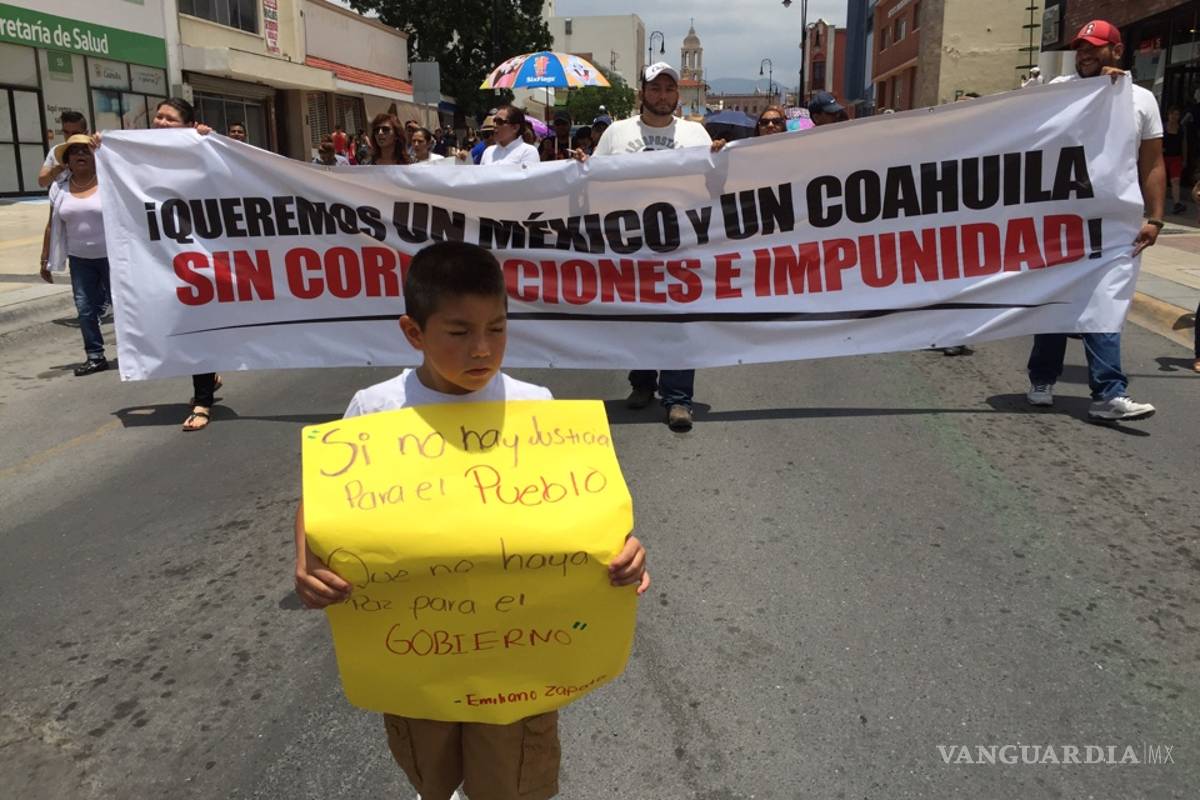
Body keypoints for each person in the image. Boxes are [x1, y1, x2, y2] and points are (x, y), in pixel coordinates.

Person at [293, 240, 649, 800]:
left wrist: (625, 554)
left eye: (498, 329)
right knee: (428, 764)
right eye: (458, 333)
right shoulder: (377, 409)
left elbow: (585, 512)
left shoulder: (538, 408)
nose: (482, 349)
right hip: (419, 652)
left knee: (509, 777)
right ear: (414, 332)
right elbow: (323, 495)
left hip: (519, 656)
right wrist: (306, 558)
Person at [1025, 19, 1162, 422]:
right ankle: (1042, 379)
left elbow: (1151, 162)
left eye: (1095, 48)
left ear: (1116, 52)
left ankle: (1109, 393)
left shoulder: (1141, 100)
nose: (1085, 55)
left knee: (1106, 301)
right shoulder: (1060, 91)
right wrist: (1093, 93)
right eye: (1081, 48)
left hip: (1115, 222)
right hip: (1061, 220)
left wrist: (1155, 218)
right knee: (1057, 296)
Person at [590, 62, 724, 432]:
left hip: (682, 241)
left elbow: (717, 186)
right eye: (655, 88)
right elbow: (594, 180)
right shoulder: (617, 134)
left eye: (669, 89)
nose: (662, 95)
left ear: (677, 95)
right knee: (639, 315)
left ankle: (678, 398)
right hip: (631, 241)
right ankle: (643, 384)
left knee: (679, 318)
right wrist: (580, 168)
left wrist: (721, 159)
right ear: (642, 94)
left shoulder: (696, 135)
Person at [39, 135, 111, 376]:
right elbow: (52, 225)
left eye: (86, 150)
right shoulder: (58, 189)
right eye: (75, 151)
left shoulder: (110, 184)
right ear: (67, 160)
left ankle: (140, 352)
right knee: (85, 308)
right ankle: (95, 356)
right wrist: (44, 259)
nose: (80, 154)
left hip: (113, 258)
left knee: (124, 306)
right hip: (79, 260)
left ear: (95, 157)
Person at [38, 110, 88, 189]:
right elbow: (42, 182)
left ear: (86, 133)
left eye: (75, 133)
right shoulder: (56, 151)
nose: (69, 136)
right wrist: (60, 167)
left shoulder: (94, 151)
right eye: (66, 132)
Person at [1164, 107, 1187, 215]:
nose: (1175, 117)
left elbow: (1184, 144)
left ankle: (1176, 203)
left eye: (1177, 114)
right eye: (1173, 114)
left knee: (1175, 181)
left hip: (1176, 157)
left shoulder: (1181, 129)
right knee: (1160, 181)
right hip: (1162, 157)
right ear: (1169, 115)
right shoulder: (1162, 127)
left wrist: (1184, 158)